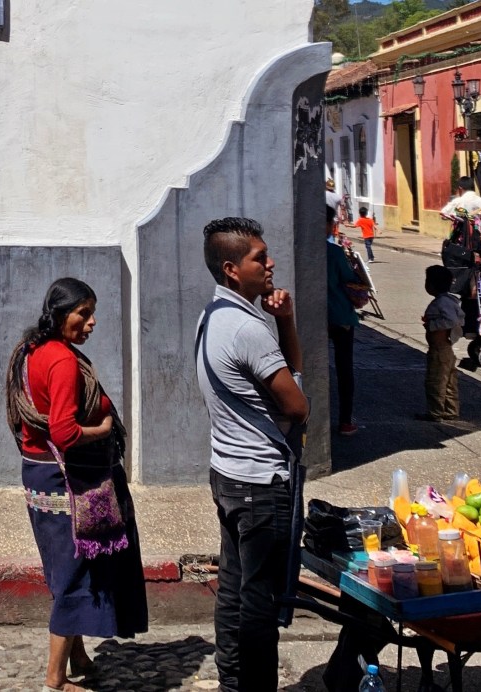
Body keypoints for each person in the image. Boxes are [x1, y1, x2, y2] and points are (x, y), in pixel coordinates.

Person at [6, 278, 148, 692]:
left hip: (40, 473)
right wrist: (103, 429)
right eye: (83, 313)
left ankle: (79, 656)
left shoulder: (32, 351)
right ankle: (55, 679)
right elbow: (64, 432)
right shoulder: (63, 361)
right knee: (75, 571)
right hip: (68, 477)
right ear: (59, 314)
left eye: (92, 313)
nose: (91, 322)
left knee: (68, 565)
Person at [196, 217, 310, 691]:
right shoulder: (248, 329)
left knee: (234, 590)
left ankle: (232, 682)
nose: (271, 264)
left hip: (227, 473)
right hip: (260, 483)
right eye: (259, 258)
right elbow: (297, 405)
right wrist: (283, 325)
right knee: (260, 602)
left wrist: (283, 319)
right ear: (231, 269)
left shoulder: (212, 316)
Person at [326, 206, 361, 436]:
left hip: (315, 315)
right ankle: (345, 421)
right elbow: (350, 280)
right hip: (340, 316)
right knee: (344, 368)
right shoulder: (335, 252)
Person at [418, 266, 464, 422]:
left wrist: (432, 325)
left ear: (431, 285)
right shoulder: (449, 301)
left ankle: (435, 412)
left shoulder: (442, 302)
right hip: (445, 349)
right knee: (449, 381)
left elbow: (452, 320)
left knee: (435, 381)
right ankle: (451, 410)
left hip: (439, 349)